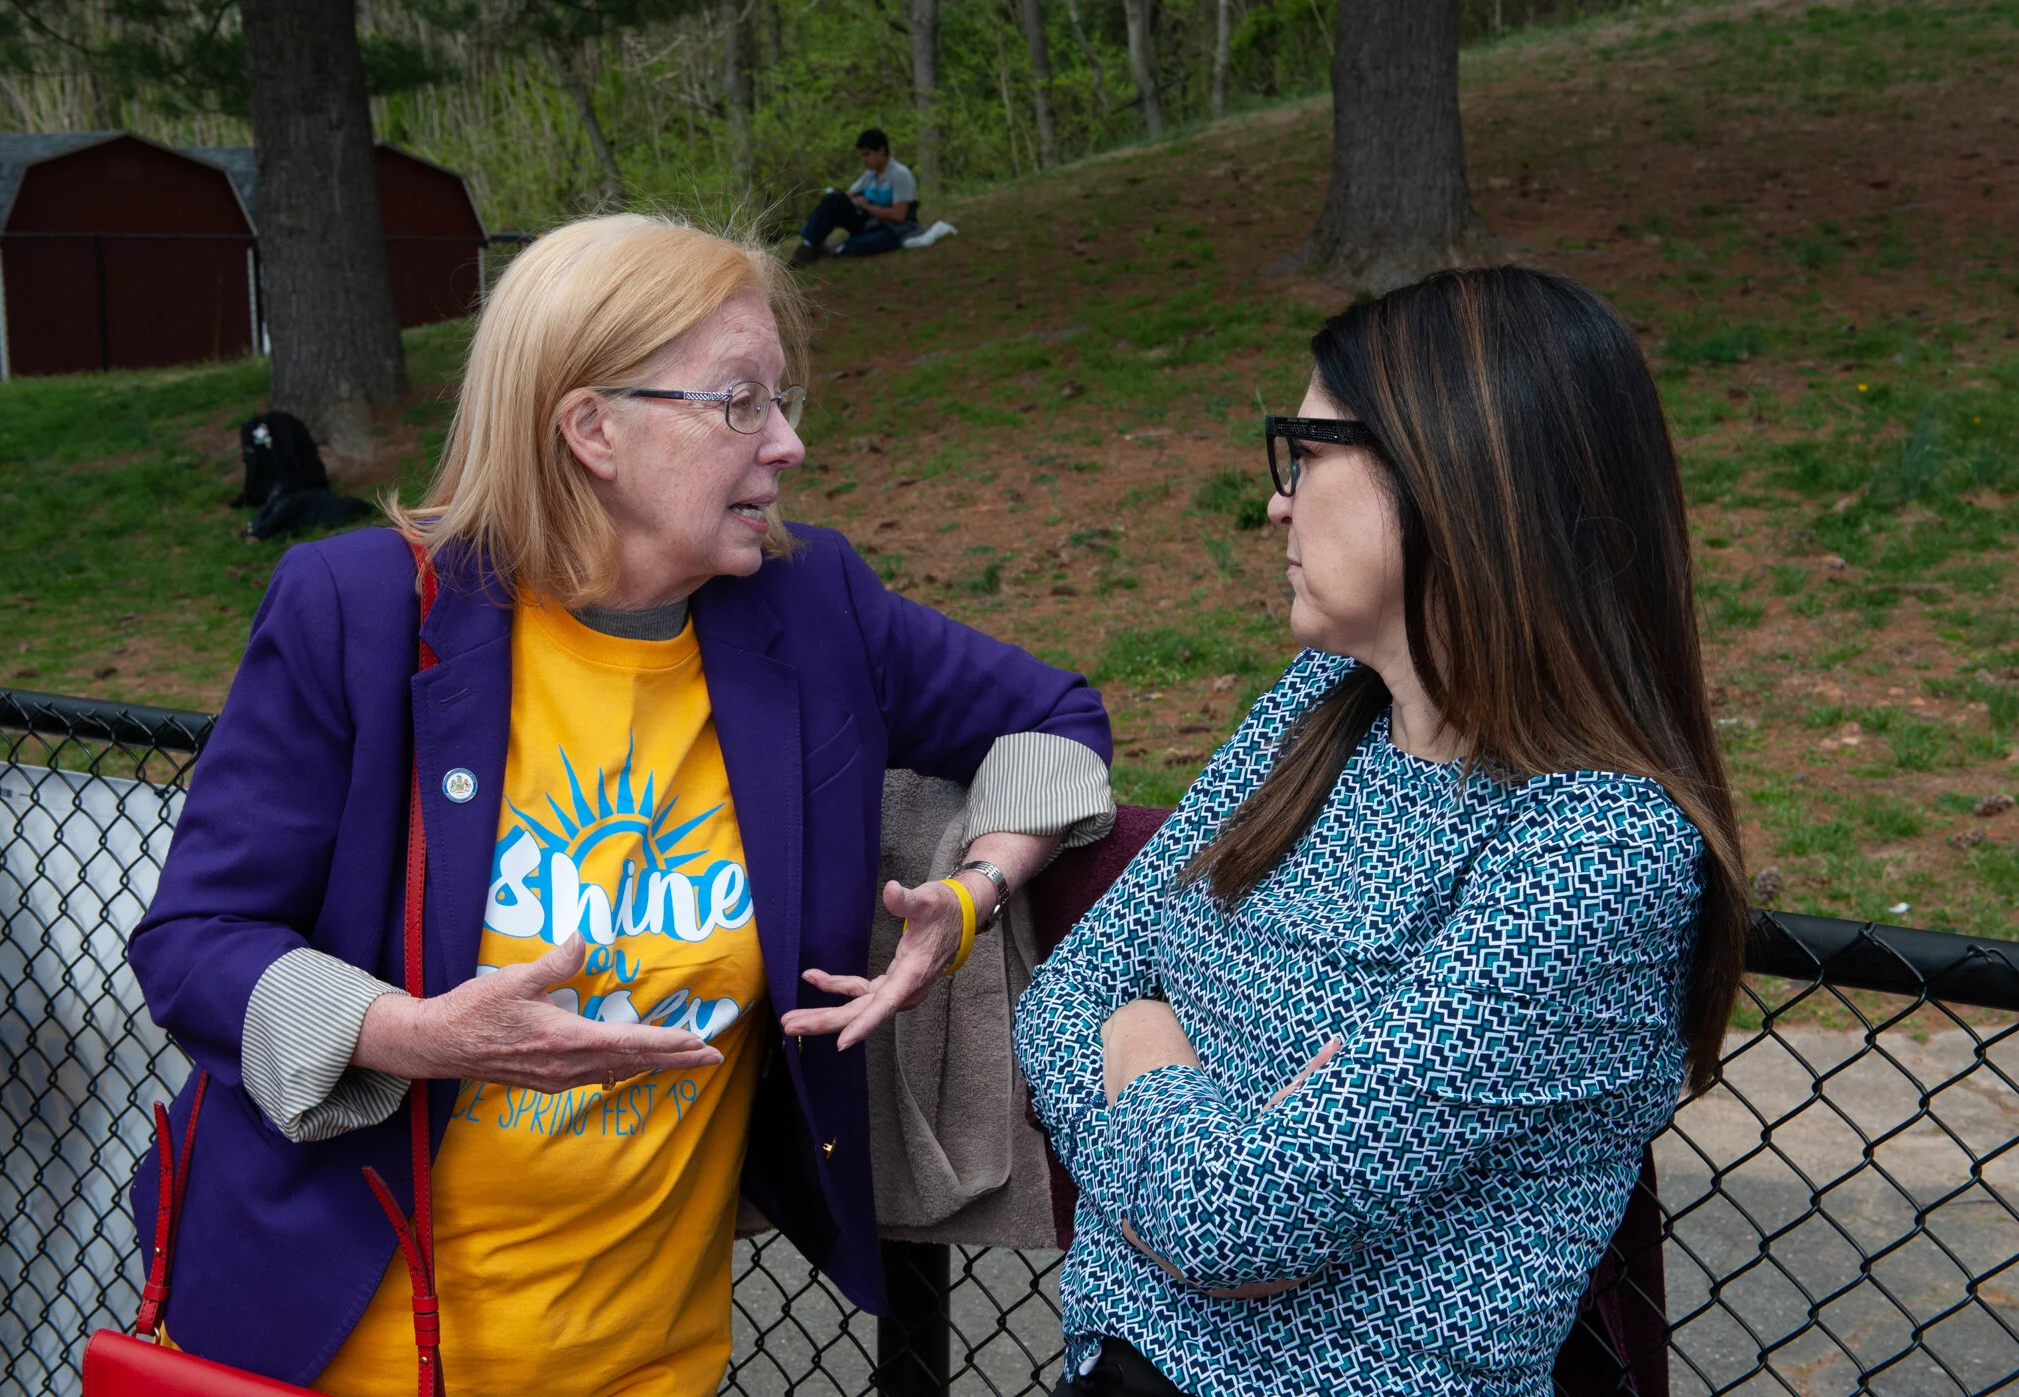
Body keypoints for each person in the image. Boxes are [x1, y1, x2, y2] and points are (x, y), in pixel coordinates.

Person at [126, 211, 1114, 1394]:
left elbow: (1056, 719)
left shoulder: (810, 610)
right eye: (741, 403)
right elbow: (196, 944)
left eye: (784, 400)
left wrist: (971, 891)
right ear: (591, 426)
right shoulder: (362, 608)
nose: (789, 443)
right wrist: (415, 1034)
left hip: (650, 1360)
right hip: (336, 1349)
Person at [1013, 266, 1748, 1396]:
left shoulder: (1599, 846)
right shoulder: (1318, 709)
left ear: (1452, 473)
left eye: (1306, 455)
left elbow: (1236, 1220)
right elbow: (1063, 995)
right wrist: (1224, 1121)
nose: (1276, 500)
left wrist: (1148, 1047)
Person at [789, 127, 921, 265]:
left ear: (881, 151)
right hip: (868, 221)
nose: (864, 160)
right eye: (862, 155)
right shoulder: (870, 175)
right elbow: (847, 196)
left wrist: (868, 206)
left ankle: (834, 249)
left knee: (853, 246)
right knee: (833, 199)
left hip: (891, 227)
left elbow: (899, 215)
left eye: (867, 154)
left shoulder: (900, 174)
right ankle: (808, 244)